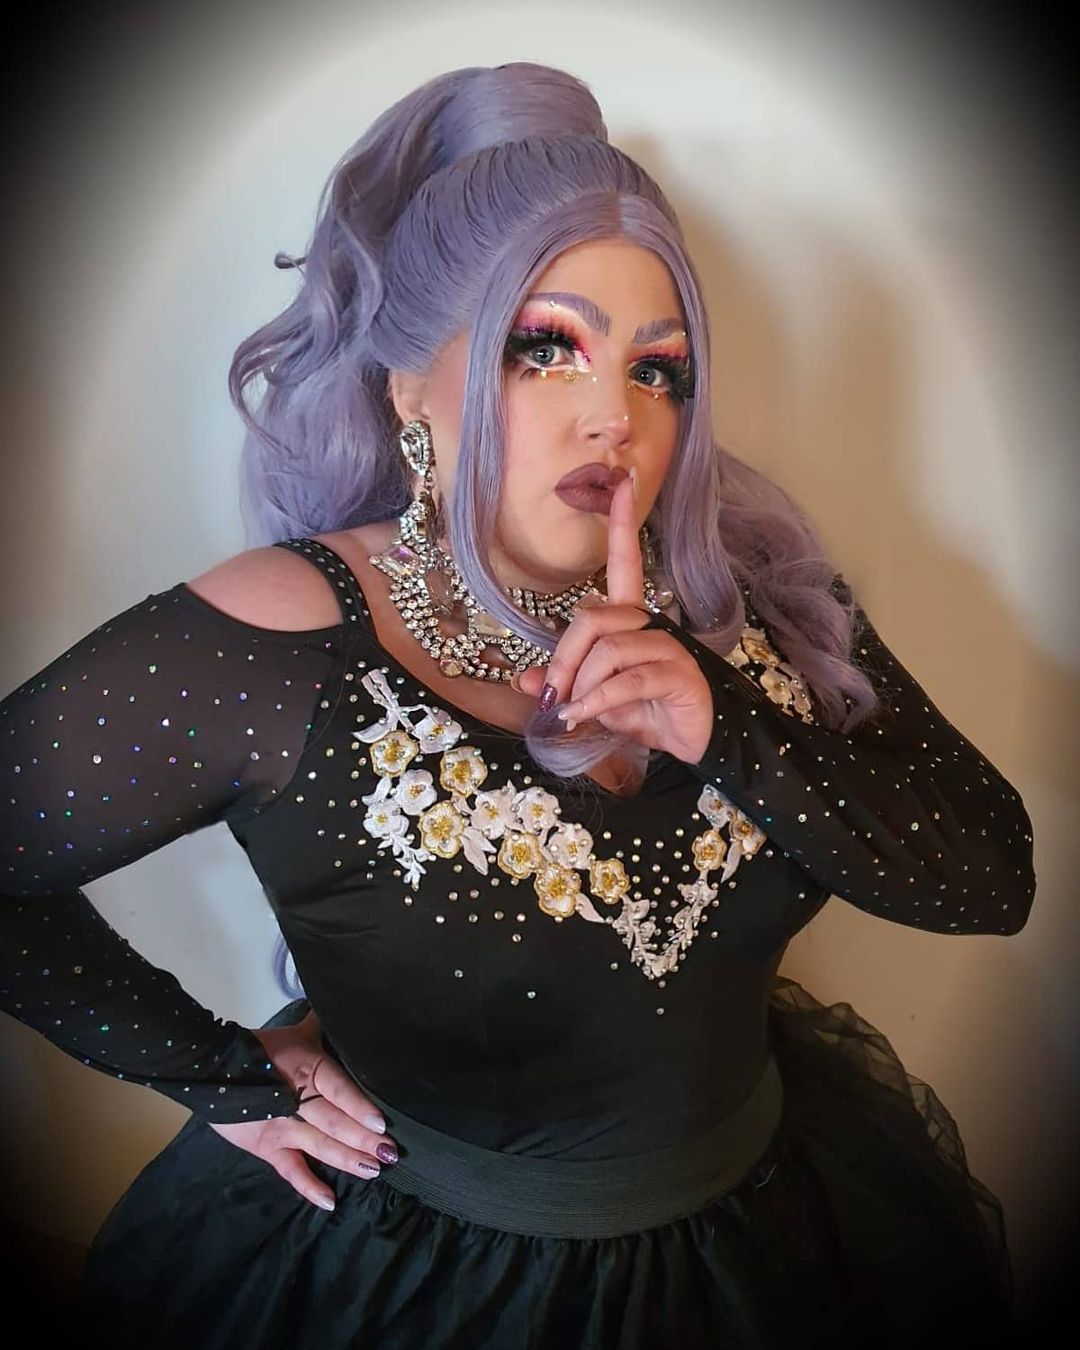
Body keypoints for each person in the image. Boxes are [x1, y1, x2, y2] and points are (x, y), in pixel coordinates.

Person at [0, 62, 1035, 1350]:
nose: (615, 418)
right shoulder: (282, 639)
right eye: (546, 350)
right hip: (413, 1288)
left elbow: (992, 877)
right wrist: (213, 1073)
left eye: (660, 370)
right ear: (407, 385)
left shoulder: (755, 593)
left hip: (776, 1241)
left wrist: (725, 725)